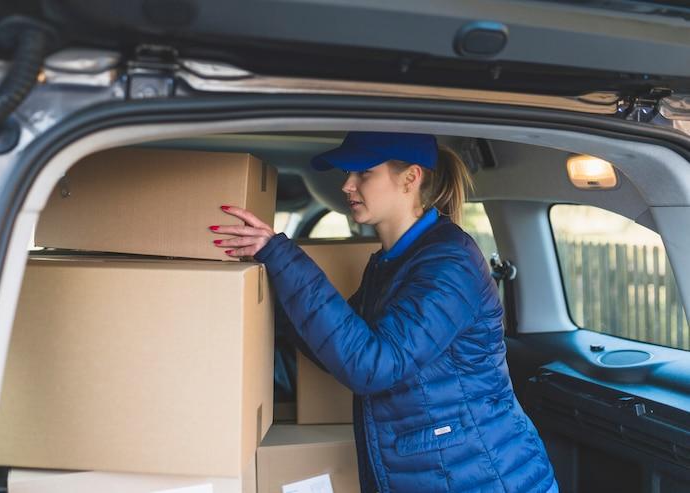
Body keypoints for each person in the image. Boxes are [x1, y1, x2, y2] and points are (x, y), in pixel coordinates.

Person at [210, 132, 558, 493]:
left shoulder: (450, 263)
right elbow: (331, 351)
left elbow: (371, 367)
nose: (347, 184)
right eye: (348, 172)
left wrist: (282, 256)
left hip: (486, 477)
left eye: (363, 172)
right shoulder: (391, 264)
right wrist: (265, 291)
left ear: (411, 177)